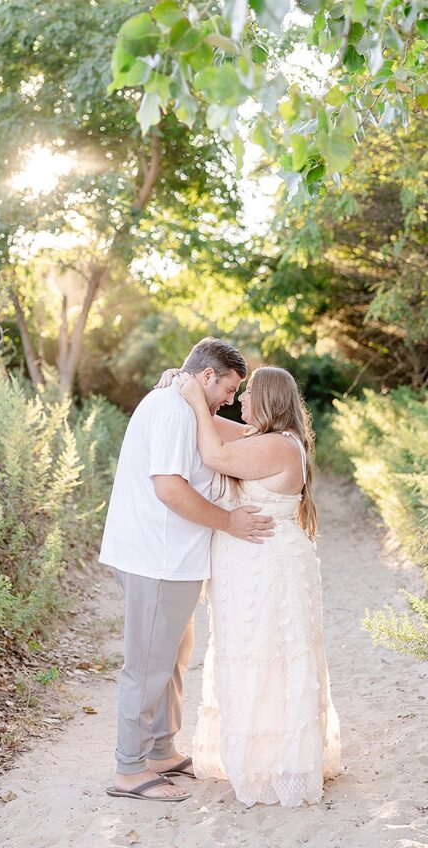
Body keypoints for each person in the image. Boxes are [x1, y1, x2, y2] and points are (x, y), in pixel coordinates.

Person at [98, 338, 275, 802]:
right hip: (156, 559)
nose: (233, 401)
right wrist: (229, 523)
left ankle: (160, 750)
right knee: (148, 664)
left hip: (171, 559)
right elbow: (169, 489)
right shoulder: (173, 411)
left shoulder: (182, 406)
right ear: (206, 377)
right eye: (230, 388)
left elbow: (240, 439)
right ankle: (130, 769)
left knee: (173, 655)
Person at [172, 365, 341, 807]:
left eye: (247, 395)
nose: (238, 401)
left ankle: (277, 765)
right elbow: (215, 426)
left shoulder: (277, 448)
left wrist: (193, 397)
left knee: (269, 656)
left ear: (267, 401)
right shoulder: (269, 441)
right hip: (256, 567)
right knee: (257, 655)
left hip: (268, 570)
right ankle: (263, 755)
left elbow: (215, 455)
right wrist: (186, 386)